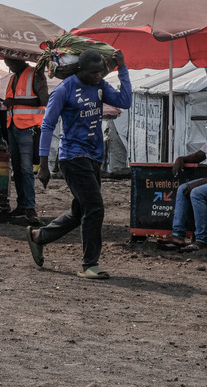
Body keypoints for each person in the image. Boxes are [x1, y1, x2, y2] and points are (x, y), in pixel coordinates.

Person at [27, 49, 131, 280]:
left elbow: (125, 101)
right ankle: (89, 264)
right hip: (72, 157)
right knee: (95, 208)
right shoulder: (65, 90)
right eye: (93, 73)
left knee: (80, 210)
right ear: (80, 70)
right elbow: (47, 126)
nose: (97, 76)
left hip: (94, 157)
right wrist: (43, 165)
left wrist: (122, 69)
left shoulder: (101, 86)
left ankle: (39, 236)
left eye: (100, 72)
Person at [157, 107, 207, 252]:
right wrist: (181, 158)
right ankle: (178, 234)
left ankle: (202, 239)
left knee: (197, 192)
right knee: (182, 189)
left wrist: (200, 182)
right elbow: (198, 156)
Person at [3, 58, 49, 224]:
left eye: (10, 63)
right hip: (13, 126)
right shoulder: (13, 77)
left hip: (28, 126)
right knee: (17, 168)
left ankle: (29, 207)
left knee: (26, 168)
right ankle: (22, 205)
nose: (8, 66)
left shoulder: (35, 75)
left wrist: (15, 102)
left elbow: (44, 100)